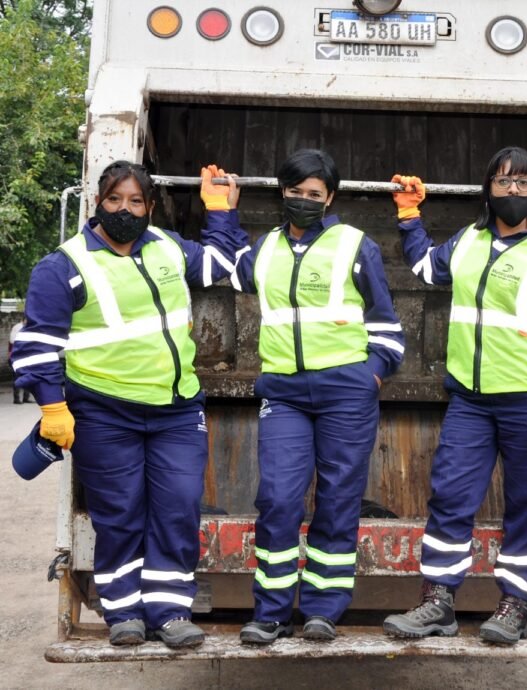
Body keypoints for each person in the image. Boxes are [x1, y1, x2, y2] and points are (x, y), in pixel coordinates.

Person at [10, 161, 248, 649]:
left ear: (150, 206)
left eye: (135, 201)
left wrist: (219, 209)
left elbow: (216, 265)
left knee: (178, 509)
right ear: (98, 203)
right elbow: (36, 347)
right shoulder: (64, 265)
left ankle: (169, 611)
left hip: (176, 410)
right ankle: (123, 612)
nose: (125, 209)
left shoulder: (165, 246)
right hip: (103, 411)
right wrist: (53, 409)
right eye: (115, 200)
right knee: (119, 514)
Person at [382, 146, 527, 645]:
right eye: (503, 182)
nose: (512, 191)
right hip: (471, 401)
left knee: (525, 504)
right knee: (450, 496)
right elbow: (427, 270)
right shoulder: (468, 241)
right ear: (488, 189)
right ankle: (439, 602)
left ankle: (515, 605)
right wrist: (410, 214)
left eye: (522, 183)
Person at [231, 149, 404, 645]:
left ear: (330, 198)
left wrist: (370, 374)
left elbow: (386, 324)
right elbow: (224, 266)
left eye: (314, 194)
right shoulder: (264, 248)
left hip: (345, 393)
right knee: (279, 499)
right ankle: (271, 611)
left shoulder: (355, 246)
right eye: (295, 191)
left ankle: (324, 608)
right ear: (281, 192)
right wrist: (222, 212)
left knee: (337, 500)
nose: (304, 200)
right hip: (283, 393)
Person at [9, 318, 31, 403]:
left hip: (27, 356)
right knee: (17, 377)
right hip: (18, 356)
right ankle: (16, 398)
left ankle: (26, 398)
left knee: (28, 377)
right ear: (24, 319)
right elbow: (12, 340)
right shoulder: (17, 327)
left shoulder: (28, 327)